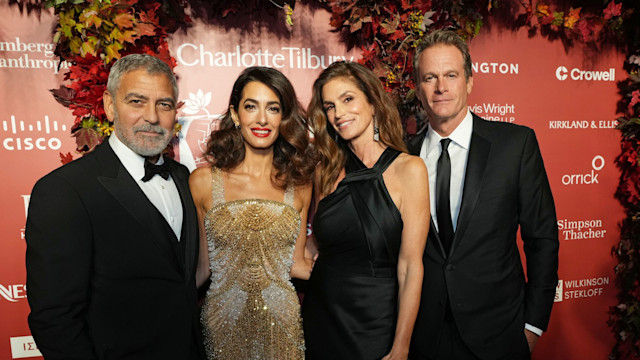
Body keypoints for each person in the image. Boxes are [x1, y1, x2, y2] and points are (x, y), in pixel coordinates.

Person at [25, 54, 206, 359]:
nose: (152, 116)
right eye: (136, 101)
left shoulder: (184, 178)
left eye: (164, 104)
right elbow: (55, 320)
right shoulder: (64, 191)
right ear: (109, 105)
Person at [407, 29, 559, 360]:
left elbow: (542, 239)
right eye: (430, 78)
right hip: (423, 338)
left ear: (470, 81)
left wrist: (533, 326)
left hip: (499, 335)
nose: (441, 87)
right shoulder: (403, 156)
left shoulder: (515, 145)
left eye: (451, 75)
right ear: (418, 89)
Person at [302, 61, 429, 360]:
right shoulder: (326, 170)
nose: (338, 114)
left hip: (375, 322)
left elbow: (411, 267)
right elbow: (321, 239)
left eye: (348, 99)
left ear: (372, 102)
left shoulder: (409, 169)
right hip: (322, 315)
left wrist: (401, 347)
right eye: (330, 106)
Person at [190, 66, 316, 360]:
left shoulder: (300, 185)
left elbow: (296, 264)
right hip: (222, 326)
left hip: (282, 329)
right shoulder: (203, 182)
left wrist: (357, 274)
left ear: (283, 117)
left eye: (273, 108)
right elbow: (201, 269)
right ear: (236, 115)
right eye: (251, 107)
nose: (262, 119)